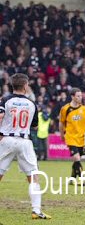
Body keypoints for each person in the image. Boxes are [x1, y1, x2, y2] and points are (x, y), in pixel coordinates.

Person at [0, 73, 51, 219]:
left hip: (6, 140)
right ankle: (36, 210)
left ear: (12, 85)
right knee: (34, 176)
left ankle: (37, 210)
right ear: (25, 86)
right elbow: (35, 125)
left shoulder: (5, 100)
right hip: (24, 142)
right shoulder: (31, 103)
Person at [59, 88, 85, 185]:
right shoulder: (65, 109)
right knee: (77, 158)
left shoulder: (84, 109)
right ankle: (82, 179)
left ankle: (72, 178)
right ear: (72, 96)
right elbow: (61, 123)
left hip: (81, 138)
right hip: (71, 138)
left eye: (81, 95)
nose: (80, 97)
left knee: (77, 160)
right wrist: (62, 134)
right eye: (78, 96)